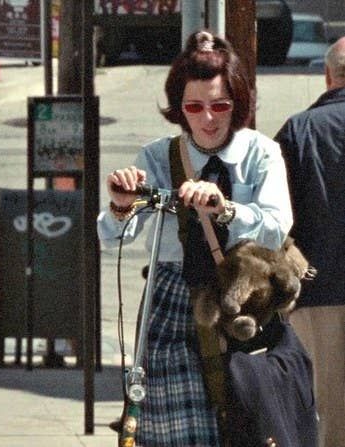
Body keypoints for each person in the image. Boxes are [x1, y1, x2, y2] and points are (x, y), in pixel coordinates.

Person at [97, 30, 292, 445]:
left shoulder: (260, 153)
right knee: (178, 433)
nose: (208, 118)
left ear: (236, 103)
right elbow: (115, 237)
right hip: (173, 303)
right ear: (179, 109)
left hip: (245, 307)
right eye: (194, 106)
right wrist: (119, 205)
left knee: (248, 427)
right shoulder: (158, 156)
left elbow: (278, 224)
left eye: (219, 105)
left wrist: (226, 209)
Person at [274, 36, 345, 447]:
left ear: (327, 76)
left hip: (317, 296)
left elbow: (278, 222)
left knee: (326, 417)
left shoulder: (299, 131)